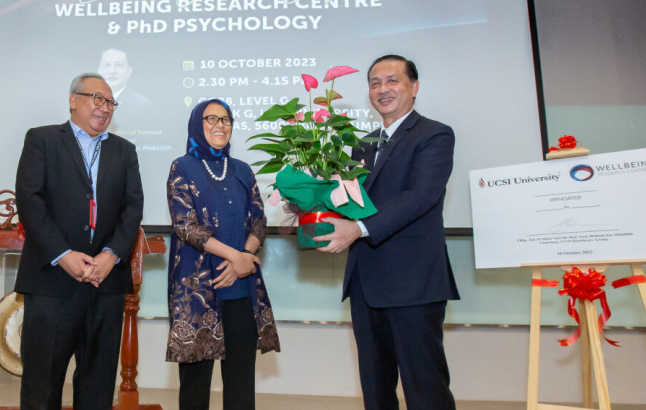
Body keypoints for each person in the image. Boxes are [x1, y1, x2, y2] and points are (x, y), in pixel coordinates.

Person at [315, 55, 459, 410]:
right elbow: (354, 202)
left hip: (413, 282)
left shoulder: (434, 134)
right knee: (376, 389)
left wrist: (358, 228)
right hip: (366, 282)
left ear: (414, 87)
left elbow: (419, 196)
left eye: (392, 81)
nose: (383, 89)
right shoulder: (363, 144)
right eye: (375, 83)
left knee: (424, 388)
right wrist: (310, 205)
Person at [14, 73, 144, 410]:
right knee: (42, 385)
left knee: (98, 388)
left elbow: (133, 209)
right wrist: (62, 254)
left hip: (106, 283)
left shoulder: (124, 151)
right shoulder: (42, 139)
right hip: (52, 280)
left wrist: (111, 255)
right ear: (73, 99)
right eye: (97, 98)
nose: (105, 107)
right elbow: (30, 200)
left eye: (110, 102)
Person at [165, 99, 280, 410]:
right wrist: (237, 257)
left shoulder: (243, 170)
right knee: (195, 387)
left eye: (226, 119)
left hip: (241, 290)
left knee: (241, 383)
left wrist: (245, 257)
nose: (220, 125)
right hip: (199, 288)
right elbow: (185, 225)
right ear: (196, 125)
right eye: (211, 118)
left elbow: (258, 221)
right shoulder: (182, 167)